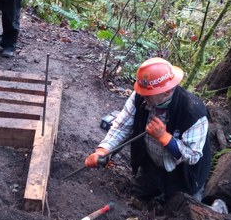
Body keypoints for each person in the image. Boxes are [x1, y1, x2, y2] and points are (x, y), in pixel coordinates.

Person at [84, 57, 212, 204]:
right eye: (142, 92)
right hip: (152, 163)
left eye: (148, 95)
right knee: (138, 197)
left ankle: (215, 207)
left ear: (167, 91)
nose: (143, 97)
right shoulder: (141, 95)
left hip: (183, 174)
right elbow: (122, 126)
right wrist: (103, 150)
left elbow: (193, 155)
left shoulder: (192, 111)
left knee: (181, 213)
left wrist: (165, 138)